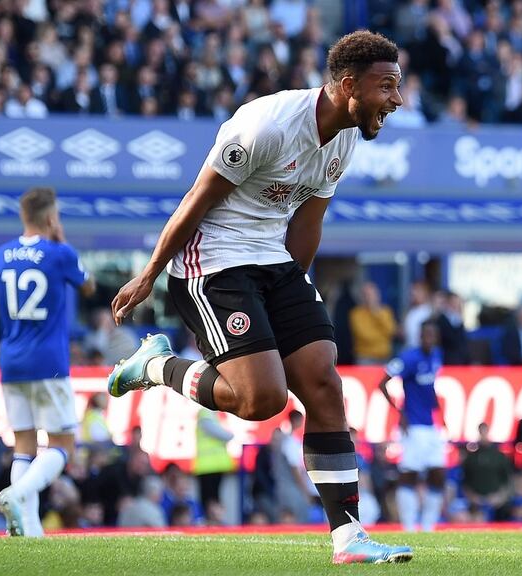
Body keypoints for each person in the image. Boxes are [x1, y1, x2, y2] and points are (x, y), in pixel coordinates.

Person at [106, 31, 411, 564]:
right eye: (387, 86)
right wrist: (151, 274)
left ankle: (349, 538)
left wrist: (295, 300)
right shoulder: (265, 127)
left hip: (274, 263)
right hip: (215, 262)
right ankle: (157, 366)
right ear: (347, 85)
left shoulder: (342, 137)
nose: (397, 99)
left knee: (324, 382)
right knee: (261, 401)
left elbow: (308, 221)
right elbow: (197, 201)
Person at [0, 186, 96, 537]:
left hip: (11, 363)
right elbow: (88, 287)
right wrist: (62, 242)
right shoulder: (60, 253)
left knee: (24, 445)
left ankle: (28, 530)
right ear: (50, 218)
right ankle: (19, 493)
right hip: (50, 363)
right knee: (64, 446)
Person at [379, 321, 446, 532]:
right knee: (410, 475)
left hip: (430, 424)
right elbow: (382, 383)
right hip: (414, 426)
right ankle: (408, 526)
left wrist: (440, 414)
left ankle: (427, 527)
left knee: (438, 475)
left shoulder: (436, 356)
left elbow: (429, 387)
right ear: (420, 337)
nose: (429, 339)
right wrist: (400, 412)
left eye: (432, 336)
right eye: (426, 335)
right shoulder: (409, 357)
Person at [349, 281, 397, 365]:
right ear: (362, 297)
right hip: (365, 358)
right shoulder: (356, 313)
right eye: (366, 295)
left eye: (372, 294)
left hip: (385, 357)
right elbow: (364, 336)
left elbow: (391, 331)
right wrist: (382, 338)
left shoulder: (386, 311)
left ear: (378, 295)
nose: (369, 297)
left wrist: (376, 312)